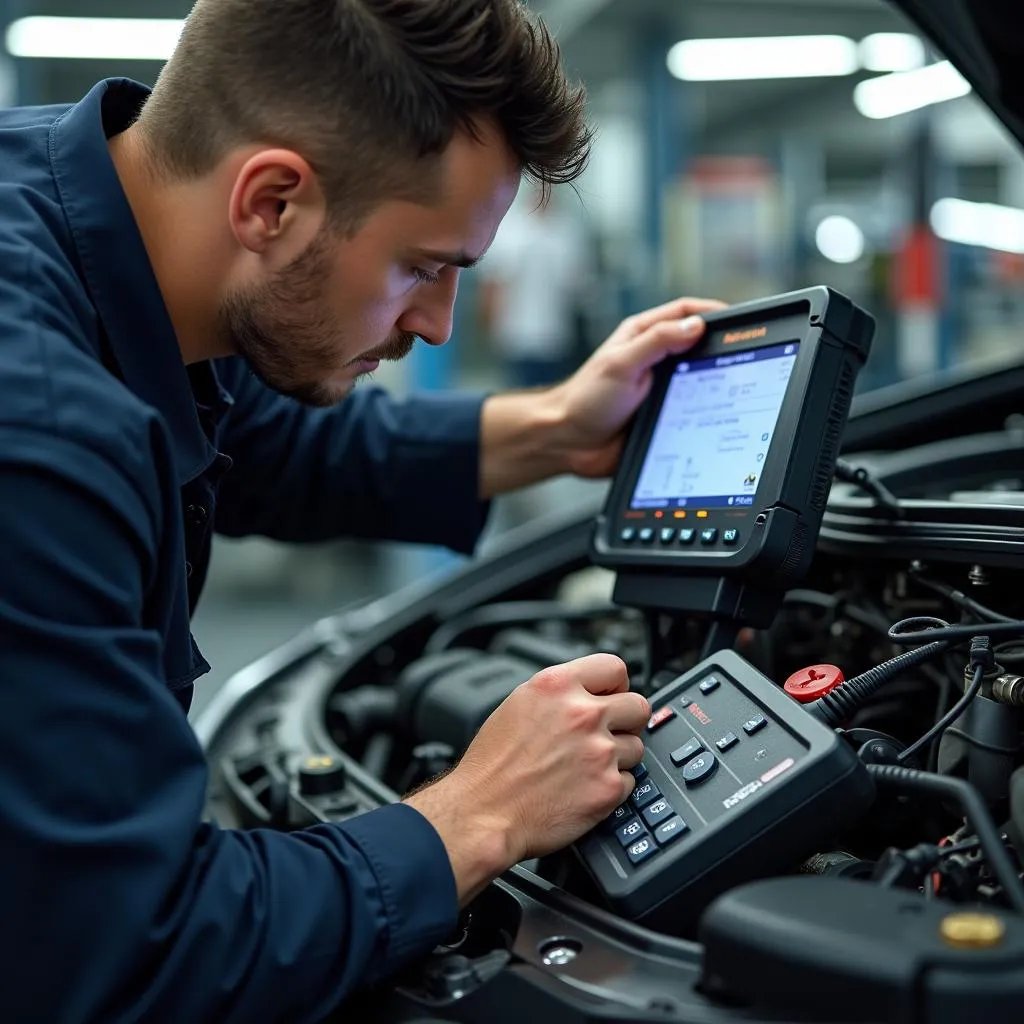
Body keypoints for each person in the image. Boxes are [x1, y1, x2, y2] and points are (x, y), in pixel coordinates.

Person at [0, 1, 722, 1020]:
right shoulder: (37, 434)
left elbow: (275, 444)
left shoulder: (83, 208)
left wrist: (560, 425)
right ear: (273, 203)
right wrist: (478, 813)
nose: (436, 324)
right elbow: (127, 950)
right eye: (423, 266)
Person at [479, 184, 595, 389]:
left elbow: (579, 285)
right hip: (516, 335)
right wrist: (491, 326)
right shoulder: (510, 230)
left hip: (556, 336)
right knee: (519, 396)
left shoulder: (566, 232)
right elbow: (493, 284)